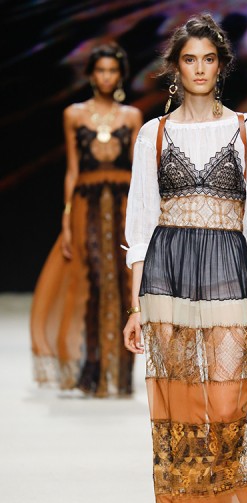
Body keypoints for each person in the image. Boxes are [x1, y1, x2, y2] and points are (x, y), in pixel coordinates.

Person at [123, 14, 247, 503]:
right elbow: (140, 223)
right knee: (182, 407)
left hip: (228, 273)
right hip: (167, 276)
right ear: (176, 67)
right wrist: (134, 307)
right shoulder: (154, 134)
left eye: (209, 59)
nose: (200, 69)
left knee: (228, 405)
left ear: (222, 65)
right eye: (190, 59)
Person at [31, 43, 143, 397]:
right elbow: (72, 170)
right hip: (86, 205)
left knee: (123, 283)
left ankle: (120, 372)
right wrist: (66, 219)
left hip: (122, 205)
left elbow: (138, 172)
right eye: (101, 70)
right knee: (92, 278)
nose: (107, 77)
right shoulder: (74, 114)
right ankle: (91, 368)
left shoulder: (132, 116)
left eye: (112, 70)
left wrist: (140, 218)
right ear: (92, 75)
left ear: (120, 75)